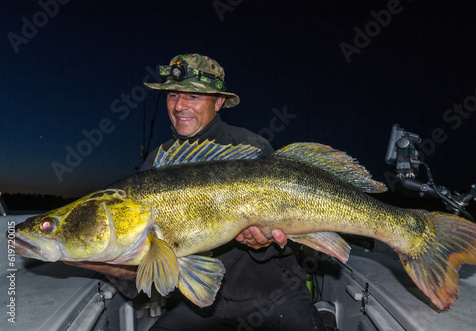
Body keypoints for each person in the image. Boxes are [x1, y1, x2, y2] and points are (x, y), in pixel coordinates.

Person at [71, 54, 326, 330]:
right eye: (172, 95)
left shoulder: (251, 149)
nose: (179, 105)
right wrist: (84, 255)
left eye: (193, 96)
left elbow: (290, 229)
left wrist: (264, 246)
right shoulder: (157, 162)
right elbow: (142, 266)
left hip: (273, 295)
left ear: (218, 102)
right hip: (199, 306)